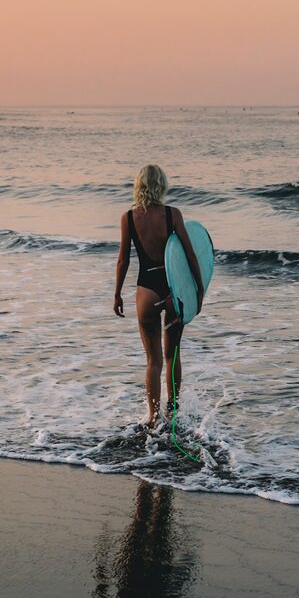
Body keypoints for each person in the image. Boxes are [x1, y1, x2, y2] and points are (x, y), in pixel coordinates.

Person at [113, 164, 205, 426]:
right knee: (172, 353)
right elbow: (189, 254)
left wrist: (117, 294)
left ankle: (154, 417)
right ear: (162, 185)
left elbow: (123, 260)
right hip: (171, 287)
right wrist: (198, 289)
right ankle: (173, 411)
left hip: (146, 289)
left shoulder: (128, 218)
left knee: (152, 360)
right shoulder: (172, 214)